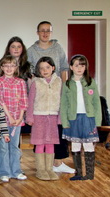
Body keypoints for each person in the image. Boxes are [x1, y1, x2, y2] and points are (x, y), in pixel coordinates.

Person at [27, 21, 74, 174]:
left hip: (55, 92)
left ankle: (58, 162)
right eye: (42, 30)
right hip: (40, 95)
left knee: (58, 131)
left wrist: (64, 90)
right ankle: (43, 166)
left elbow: (64, 68)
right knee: (41, 135)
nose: (45, 33)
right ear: (37, 32)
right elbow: (28, 71)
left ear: (51, 32)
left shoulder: (58, 48)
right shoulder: (32, 50)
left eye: (48, 31)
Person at [61, 55, 101, 180]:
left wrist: (97, 120)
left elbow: (96, 102)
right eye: (76, 65)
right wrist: (65, 121)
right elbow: (64, 104)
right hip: (73, 119)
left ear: (85, 67)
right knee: (75, 145)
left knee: (88, 145)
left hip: (88, 118)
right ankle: (78, 173)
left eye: (82, 65)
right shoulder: (67, 84)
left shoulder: (90, 82)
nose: (79, 68)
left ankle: (89, 174)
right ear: (71, 67)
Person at [26, 57, 61, 181]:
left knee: (50, 143)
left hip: (52, 116)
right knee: (40, 143)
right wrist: (29, 117)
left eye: (47, 67)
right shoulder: (36, 83)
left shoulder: (59, 82)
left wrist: (60, 117)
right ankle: (41, 170)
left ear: (53, 68)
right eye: (41, 68)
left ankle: (49, 169)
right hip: (38, 116)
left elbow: (62, 101)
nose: (44, 70)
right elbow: (30, 100)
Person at [0, 55, 28, 182]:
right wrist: (9, 116)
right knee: (3, 147)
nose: (9, 68)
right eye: (6, 66)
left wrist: (20, 118)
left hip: (17, 121)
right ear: (2, 67)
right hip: (3, 120)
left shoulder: (20, 82)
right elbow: (0, 101)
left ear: (16, 67)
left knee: (14, 146)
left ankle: (16, 171)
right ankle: (4, 172)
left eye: (12, 65)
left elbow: (23, 101)